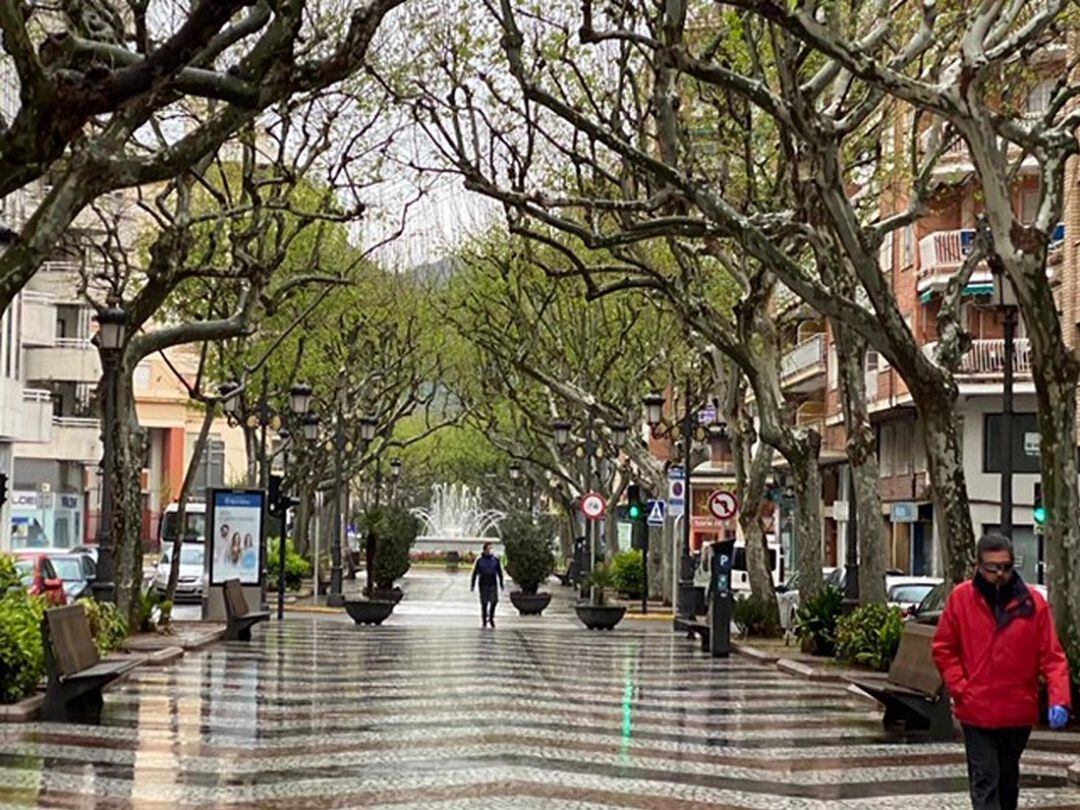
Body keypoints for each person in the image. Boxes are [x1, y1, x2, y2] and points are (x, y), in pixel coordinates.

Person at [932, 533, 1072, 810]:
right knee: (985, 779)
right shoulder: (961, 599)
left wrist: (1059, 700)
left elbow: (1052, 656)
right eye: (992, 568)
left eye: (1006, 567)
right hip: (978, 709)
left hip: (1016, 710)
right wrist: (962, 688)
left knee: (1007, 780)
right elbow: (944, 648)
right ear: (978, 566)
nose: (1000, 574)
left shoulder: (1032, 603)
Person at [470, 542, 504, 628]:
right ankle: (484, 619)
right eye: (489, 549)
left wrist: (501, 583)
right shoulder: (480, 560)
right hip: (483, 584)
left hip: (493, 583)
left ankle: (491, 617)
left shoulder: (495, 560)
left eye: (491, 549)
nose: (490, 551)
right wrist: (473, 584)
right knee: (484, 602)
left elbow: (499, 572)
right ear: (484, 550)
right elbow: (475, 573)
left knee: (494, 600)